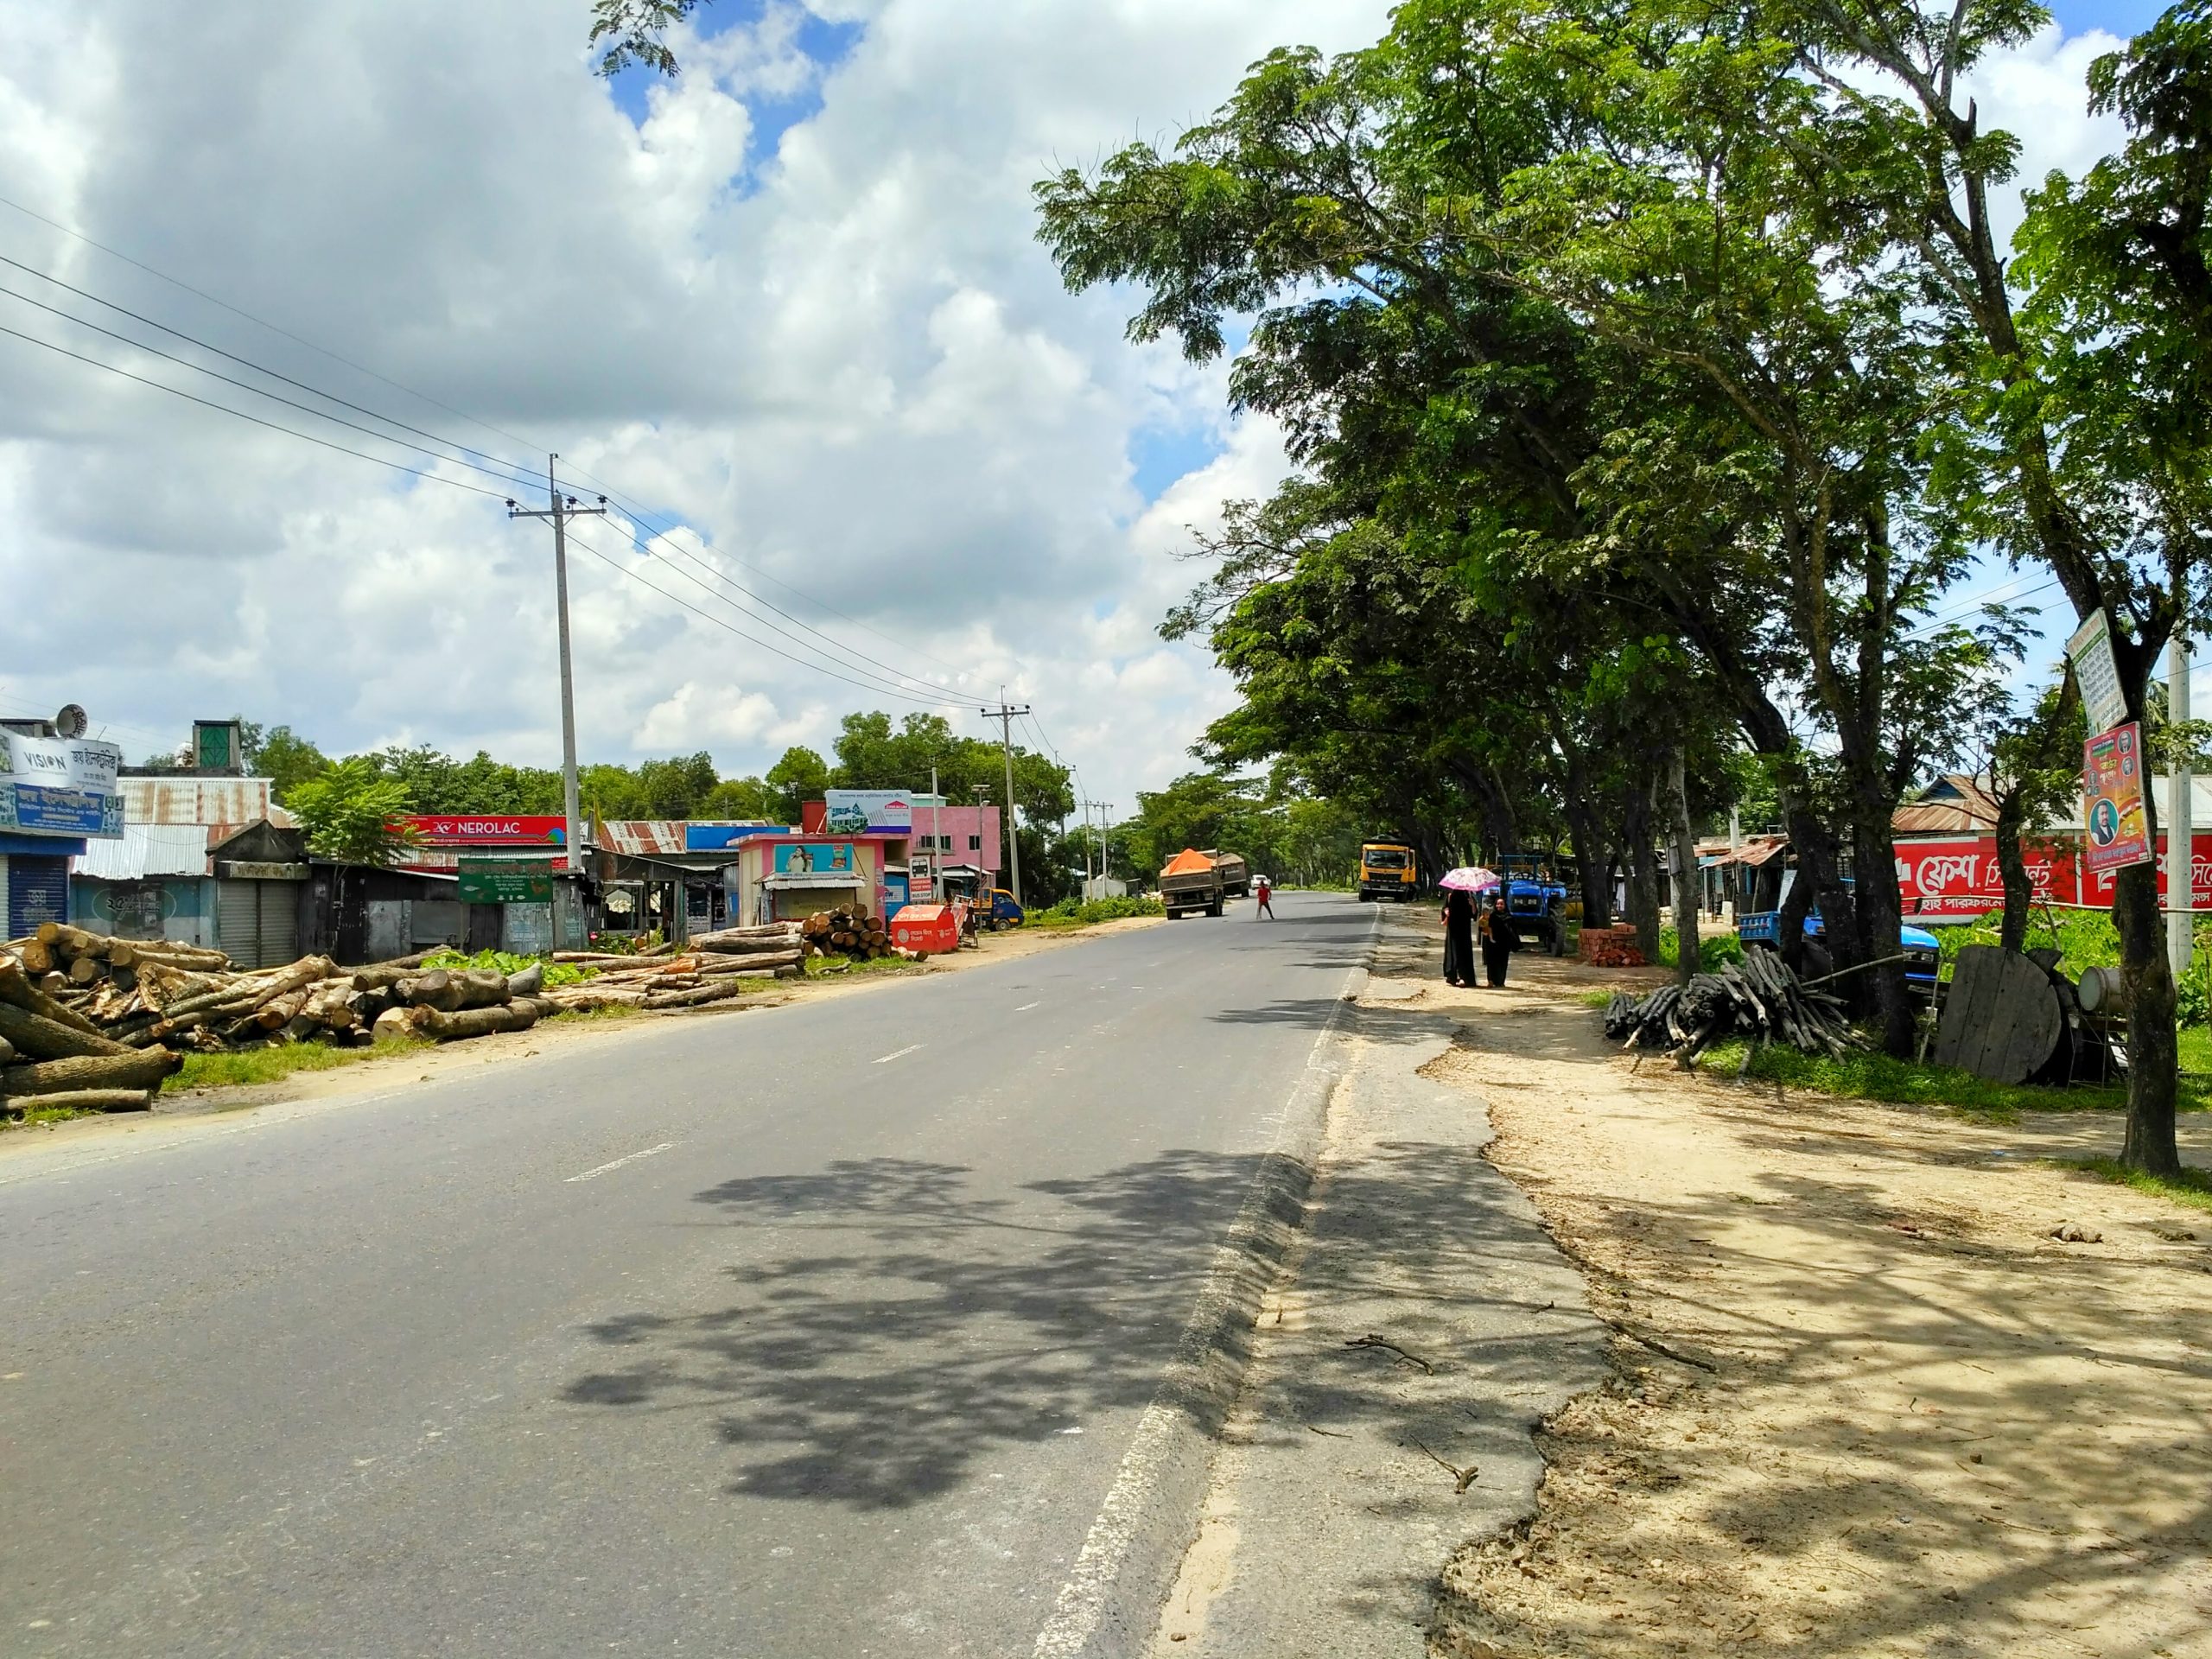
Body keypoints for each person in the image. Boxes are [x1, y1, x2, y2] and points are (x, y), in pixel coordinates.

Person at [1478, 893, 1522, 988]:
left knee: (1502, 963)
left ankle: (1500, 981)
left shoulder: (1509, 918)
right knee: (1491, 963)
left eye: (1501, 904)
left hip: (1504, 944)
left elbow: (1513, 931)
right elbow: (1484, 928)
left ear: (1505, 906)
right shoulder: (1492, 917)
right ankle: (1491, 981)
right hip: (1492, 944)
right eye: (1498, 904)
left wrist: (1514, 943)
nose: (1499, 906)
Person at [1441, 887, 1477, 986]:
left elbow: (1474, 915)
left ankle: (1463, 977)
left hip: (1464, 929)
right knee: (1452, 952)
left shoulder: (1469, 896)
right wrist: (1446, 912)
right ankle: (1452, 977)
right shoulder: (1450, 896)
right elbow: (1444, 909)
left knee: (1463, 952)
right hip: (1452, 929)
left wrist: (1472, 904)